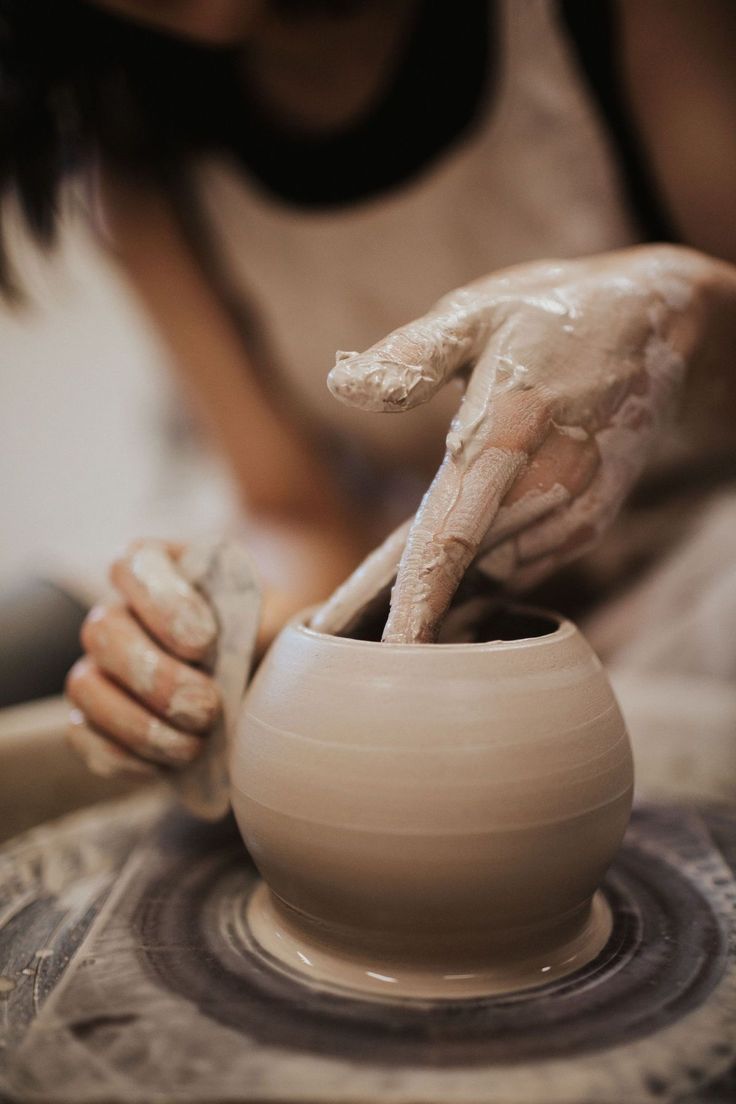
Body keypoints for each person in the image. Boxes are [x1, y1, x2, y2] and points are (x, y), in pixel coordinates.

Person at [2, 0, 735, 777]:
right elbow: (297, 514)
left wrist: (688, 300)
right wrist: (222, 630)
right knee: (39, 651)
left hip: (681, 560)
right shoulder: (138, 140)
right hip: (405, 597)